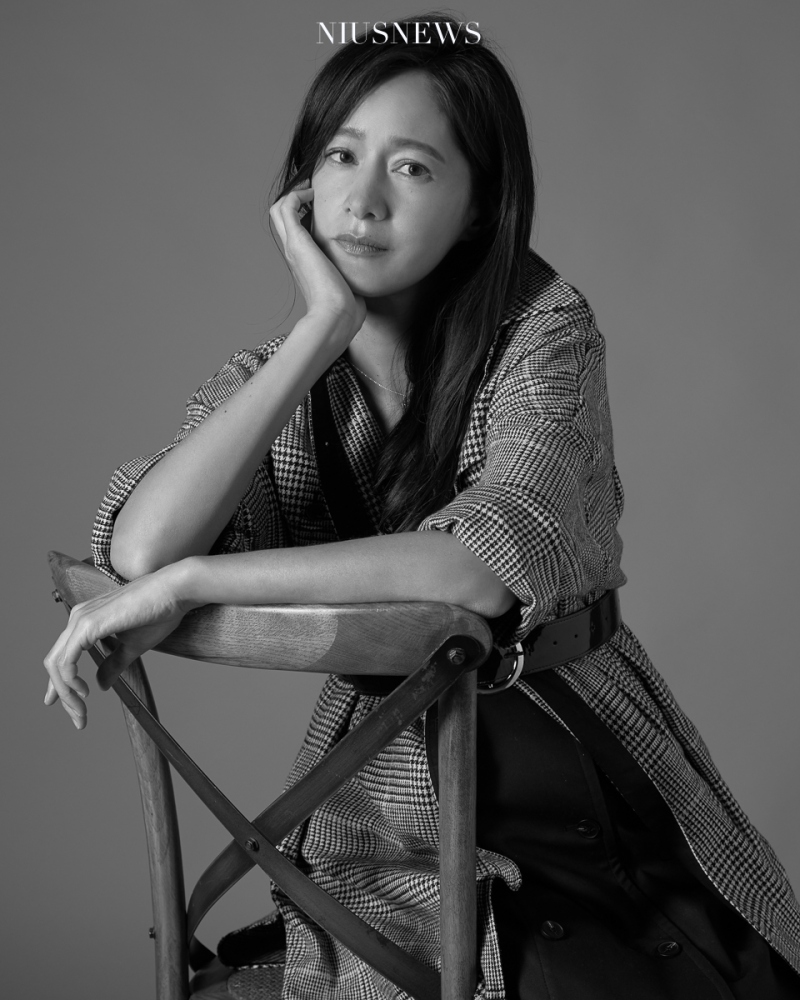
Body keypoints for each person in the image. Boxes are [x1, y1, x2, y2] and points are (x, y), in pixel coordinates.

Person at [43, 13, 800, 1000]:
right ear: (299, 186)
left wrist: (192, 582)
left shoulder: (543, 334)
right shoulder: (277, 381)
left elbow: (481, 561)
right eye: (339, 156)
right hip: (385, 795)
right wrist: (319, 330)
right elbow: (139, 549)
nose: (361, 201)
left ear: (478, 205)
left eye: (410, 168)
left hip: (572, 766)